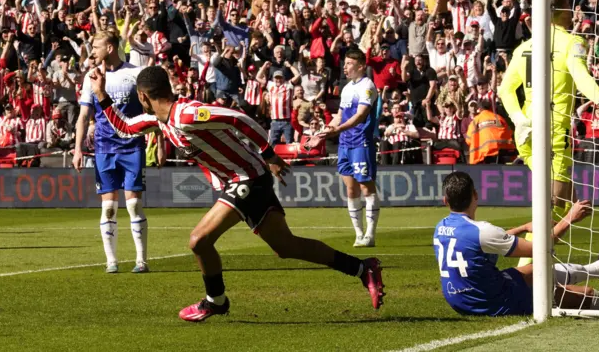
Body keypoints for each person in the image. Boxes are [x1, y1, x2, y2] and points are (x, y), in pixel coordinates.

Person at [87, 64, 385, 321]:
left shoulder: (189, 114)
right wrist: (100, 93)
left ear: (142, 97)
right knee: (286, 247)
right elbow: (123, 127)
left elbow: (239, 119)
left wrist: (268, 154)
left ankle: (215, 301)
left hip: (247, 179)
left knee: (198, 240)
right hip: (245, 180)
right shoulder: (159, 121)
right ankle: (362, 268)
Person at [498, 0, 599, 263]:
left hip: (526, 132)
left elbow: (505, 89)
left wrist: (519, 119)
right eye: (569, 8)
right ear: (561, 10)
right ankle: (525, 273)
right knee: (551, 211)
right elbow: (582, 77)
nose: (573, 13)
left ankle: (598, 265)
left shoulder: (524, 47)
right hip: (553, 134)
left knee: (569, 204)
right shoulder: (570, 42)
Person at [434, 171, 599, 317]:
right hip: (490, 302)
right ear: (476, 195)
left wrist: (524, 227)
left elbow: (485, 242)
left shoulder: (440, 227)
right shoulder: (481, 231)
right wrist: (570, 218)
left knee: (535, 270)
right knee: (582, 293)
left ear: (445, 201)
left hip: (461, 300)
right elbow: (543, 249)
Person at [72, 31, 157, 274]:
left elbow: (151, 110)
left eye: (96, 46)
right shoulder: (91, 78)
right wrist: (78, 148)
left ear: (110, 48)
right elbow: (83, 116)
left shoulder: (134, 73)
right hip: (103, 148)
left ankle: (141, 260)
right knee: (108, 208)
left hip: (131, 145)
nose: (92, 51)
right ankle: (112, 261)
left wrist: (158, 142)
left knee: (133, 206)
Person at [322, 49, 380, 248]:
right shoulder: (346, 88)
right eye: (344, 63)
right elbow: (340, 115)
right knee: (350, 188)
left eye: (348, 63)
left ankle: (370, 234)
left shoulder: (368, 86)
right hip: (344, 143)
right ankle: (358, 233)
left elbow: (361, 116)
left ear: (361, 65)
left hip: (361, 141)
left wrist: (336, 129)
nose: (344, 67)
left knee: (366, 187)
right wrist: (326, 129)